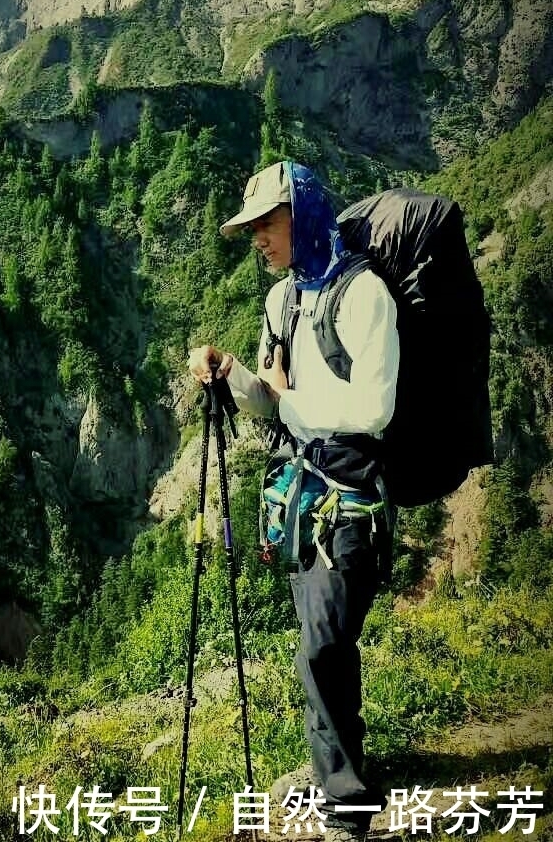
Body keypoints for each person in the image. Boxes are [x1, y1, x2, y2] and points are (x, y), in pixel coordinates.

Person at [188, 160, 399, 842]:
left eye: (266, 223)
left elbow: (373, 410)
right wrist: (234, 374)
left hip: (351, 502)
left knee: (324, 645)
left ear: (302, 214)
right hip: (303, 498)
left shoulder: (364, 295)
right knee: (319, 641)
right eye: (250, 229)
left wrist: (286, 398)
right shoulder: (283, 302)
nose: (257, 240)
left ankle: (345, 805)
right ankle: (336, 771)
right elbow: (269, 410)